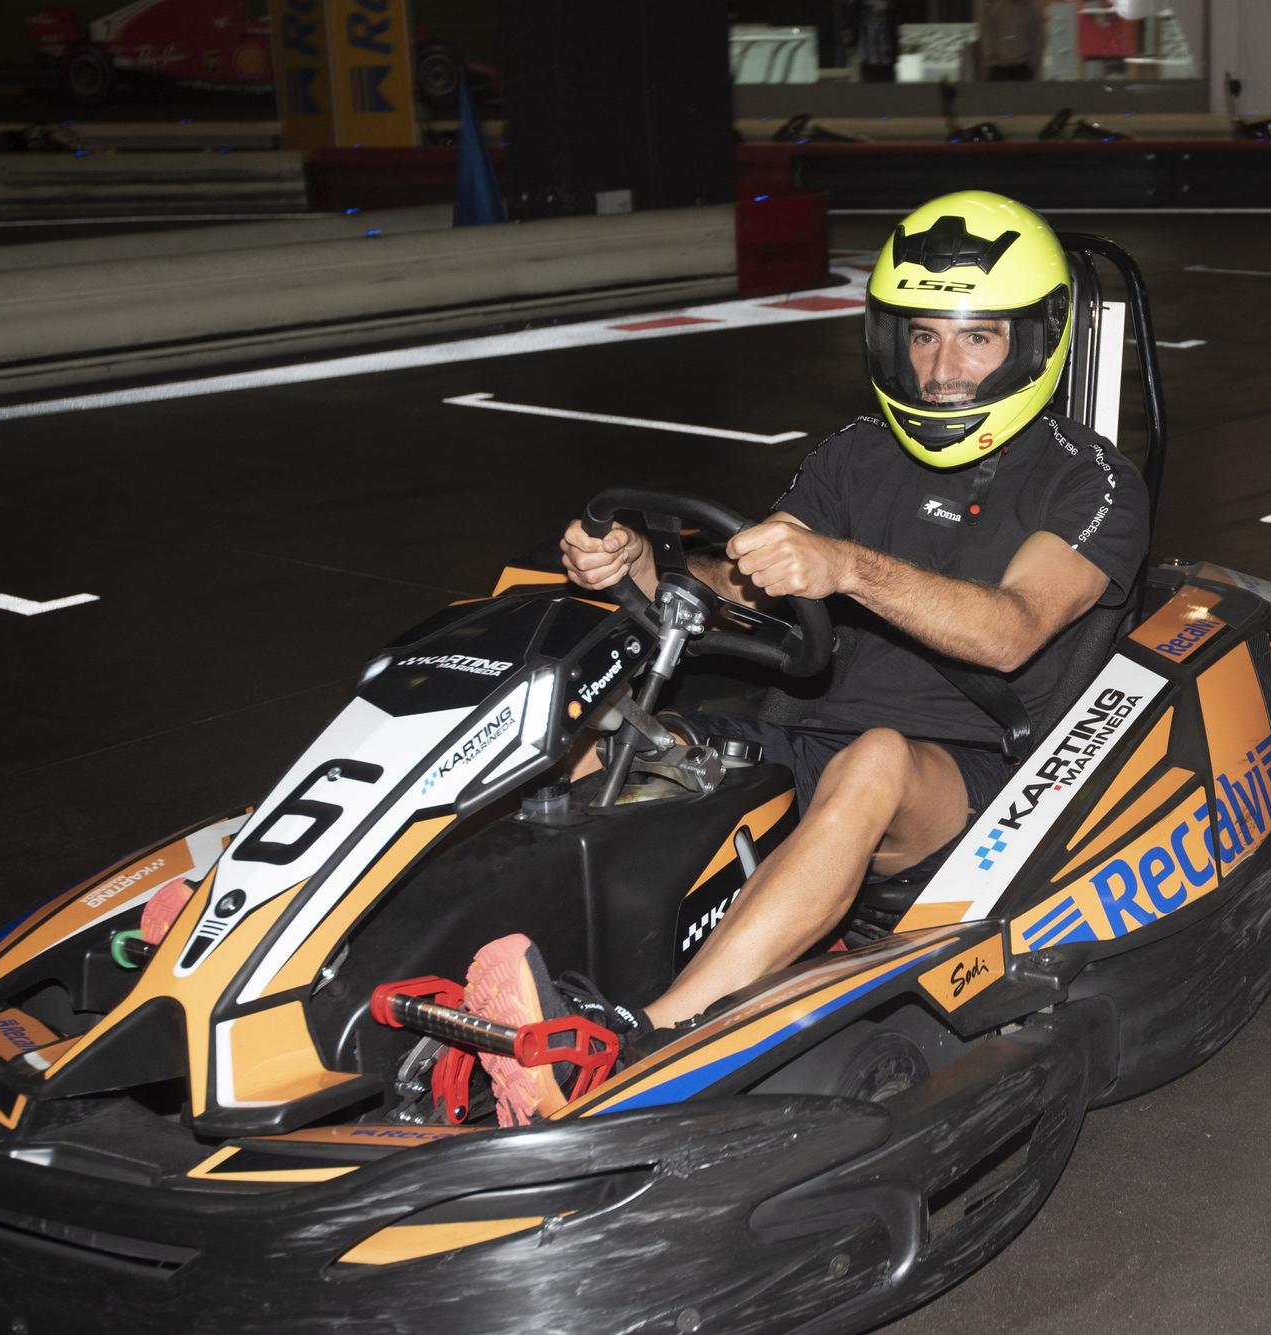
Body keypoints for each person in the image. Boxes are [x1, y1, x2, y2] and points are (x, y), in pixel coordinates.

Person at [465, 190, 1150, 1126]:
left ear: (1032, 343)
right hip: (801, 728)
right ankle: (374, 943)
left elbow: (1014, 628)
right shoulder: (859, 452)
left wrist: (848, 565)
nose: (942, 369)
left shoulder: (1088, 476)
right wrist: (650, 564)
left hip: (967, 773)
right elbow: (755, 571)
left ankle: (643, 1045)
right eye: (920, 337)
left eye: (976, 338)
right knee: (588, 731)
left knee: (872, 759)